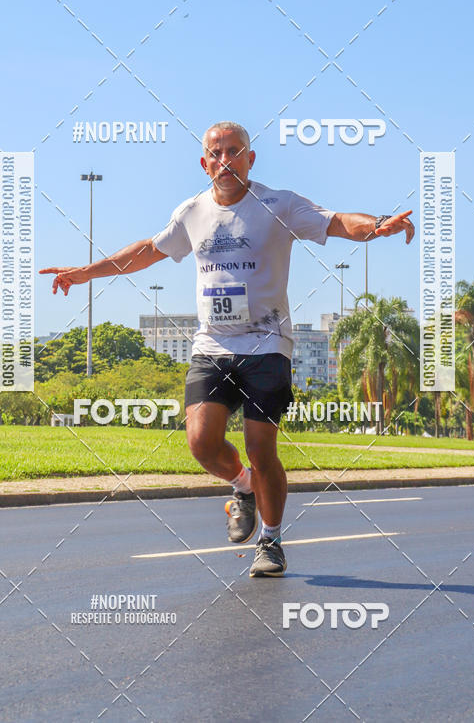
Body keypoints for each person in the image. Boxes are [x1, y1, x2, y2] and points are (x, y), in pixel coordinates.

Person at [40, 121, 414, 577]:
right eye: (216, 154)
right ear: (204, 163)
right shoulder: (192, 211)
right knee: (201, 443)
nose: (225, 161)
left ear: (250, 159)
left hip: (267, 344)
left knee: (261, 448)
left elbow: (335, 222)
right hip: (211, 345)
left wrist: (375, 226)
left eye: (235, 151)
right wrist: (84, 272)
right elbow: (147, 252)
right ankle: (243, 488)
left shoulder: (279, 204)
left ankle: (271, 542)